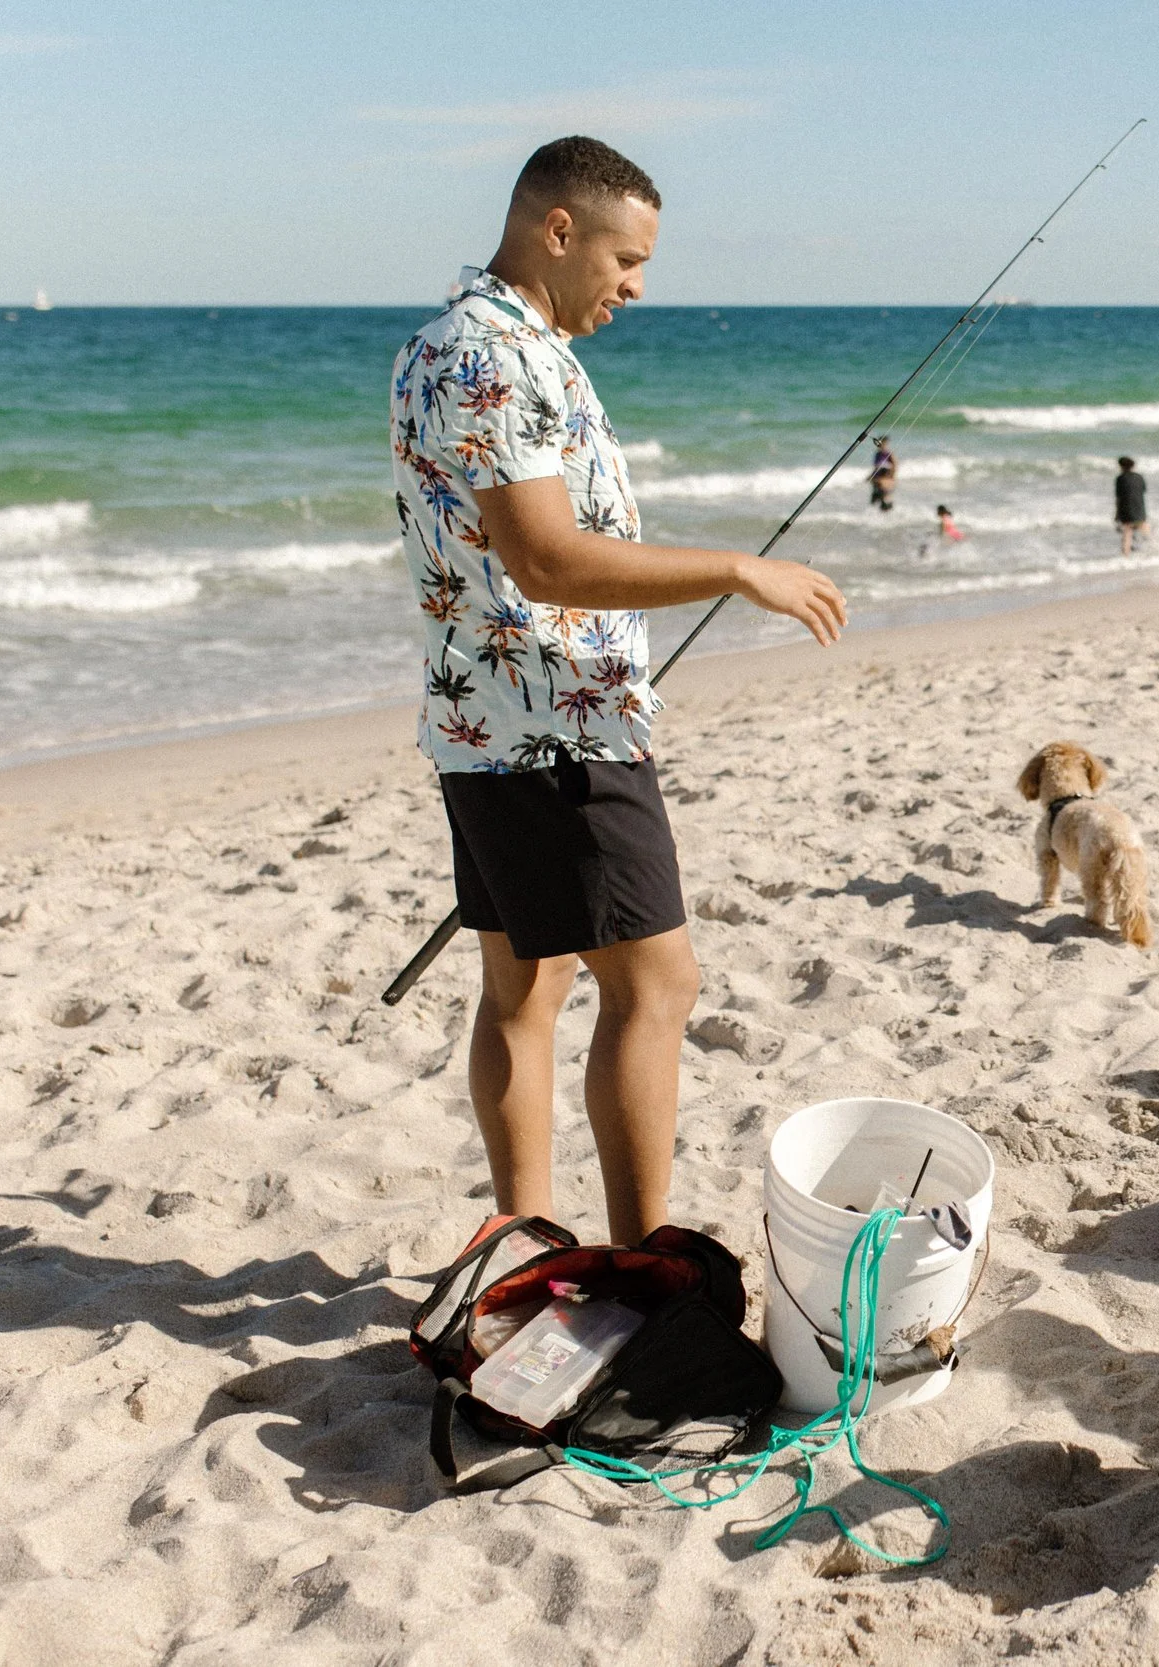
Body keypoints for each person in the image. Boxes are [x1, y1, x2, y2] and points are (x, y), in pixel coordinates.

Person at [389, 136, 848, 1245]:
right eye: (626, 259)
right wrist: (739, 570)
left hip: (491, 724)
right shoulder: (487, 354)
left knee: (527, 991)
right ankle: (644, 1264)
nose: (636, 286)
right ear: (558, 230)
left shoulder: (481, 341)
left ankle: (526, 1242)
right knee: (657, 986)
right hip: (553, 735)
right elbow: (547, 558)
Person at [1113, 455, 1148, 555]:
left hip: (1126, 509)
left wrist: (1116, 515)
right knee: (1145, 531)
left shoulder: (1120, 479)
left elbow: (1118, 498)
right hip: (1140, 508)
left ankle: (1126, 555)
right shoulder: (1139, 477)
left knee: (1127, 533)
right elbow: (1143, 492)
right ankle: (1157, 552)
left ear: (1122, 466)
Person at [868, 434, 898, 512]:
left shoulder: (889, 454)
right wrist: (870, 476)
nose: (881, 445)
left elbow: (895, 466)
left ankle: (888, 512)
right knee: (874, 499)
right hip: (878, 478)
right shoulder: (877, 454)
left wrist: (891, 477)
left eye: (883, 443)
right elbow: (875, 467)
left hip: (885, 478)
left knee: (885, 499)